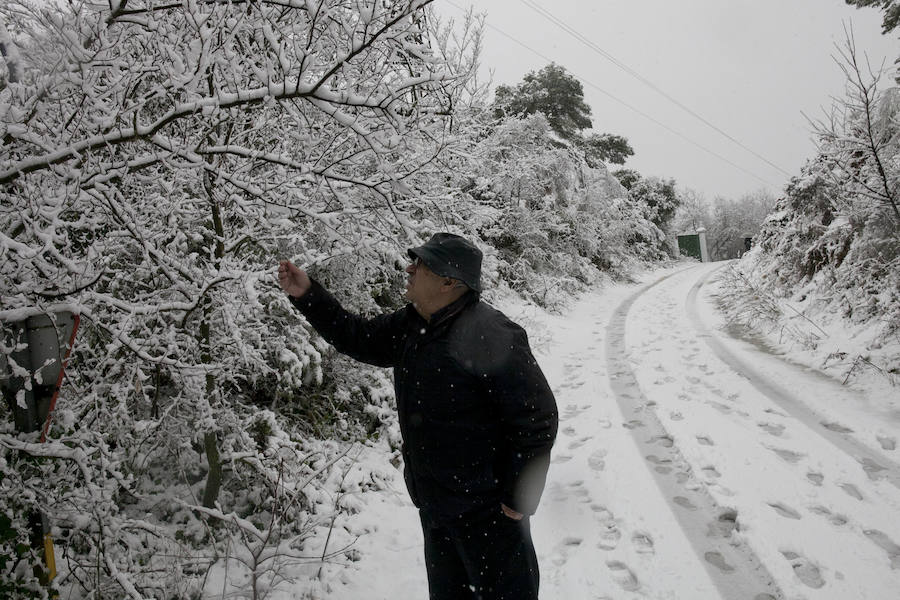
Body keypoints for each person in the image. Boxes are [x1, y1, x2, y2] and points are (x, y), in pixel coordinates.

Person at [278, 232, 558, 600]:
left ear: (448, 282)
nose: (409, 267)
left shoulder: (491, 333)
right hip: (436, 507)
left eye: (422, 264)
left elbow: (537, 419)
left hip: (489, 515)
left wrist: (517, 498)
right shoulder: (412, 324)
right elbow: (357, 337)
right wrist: (308, 294)